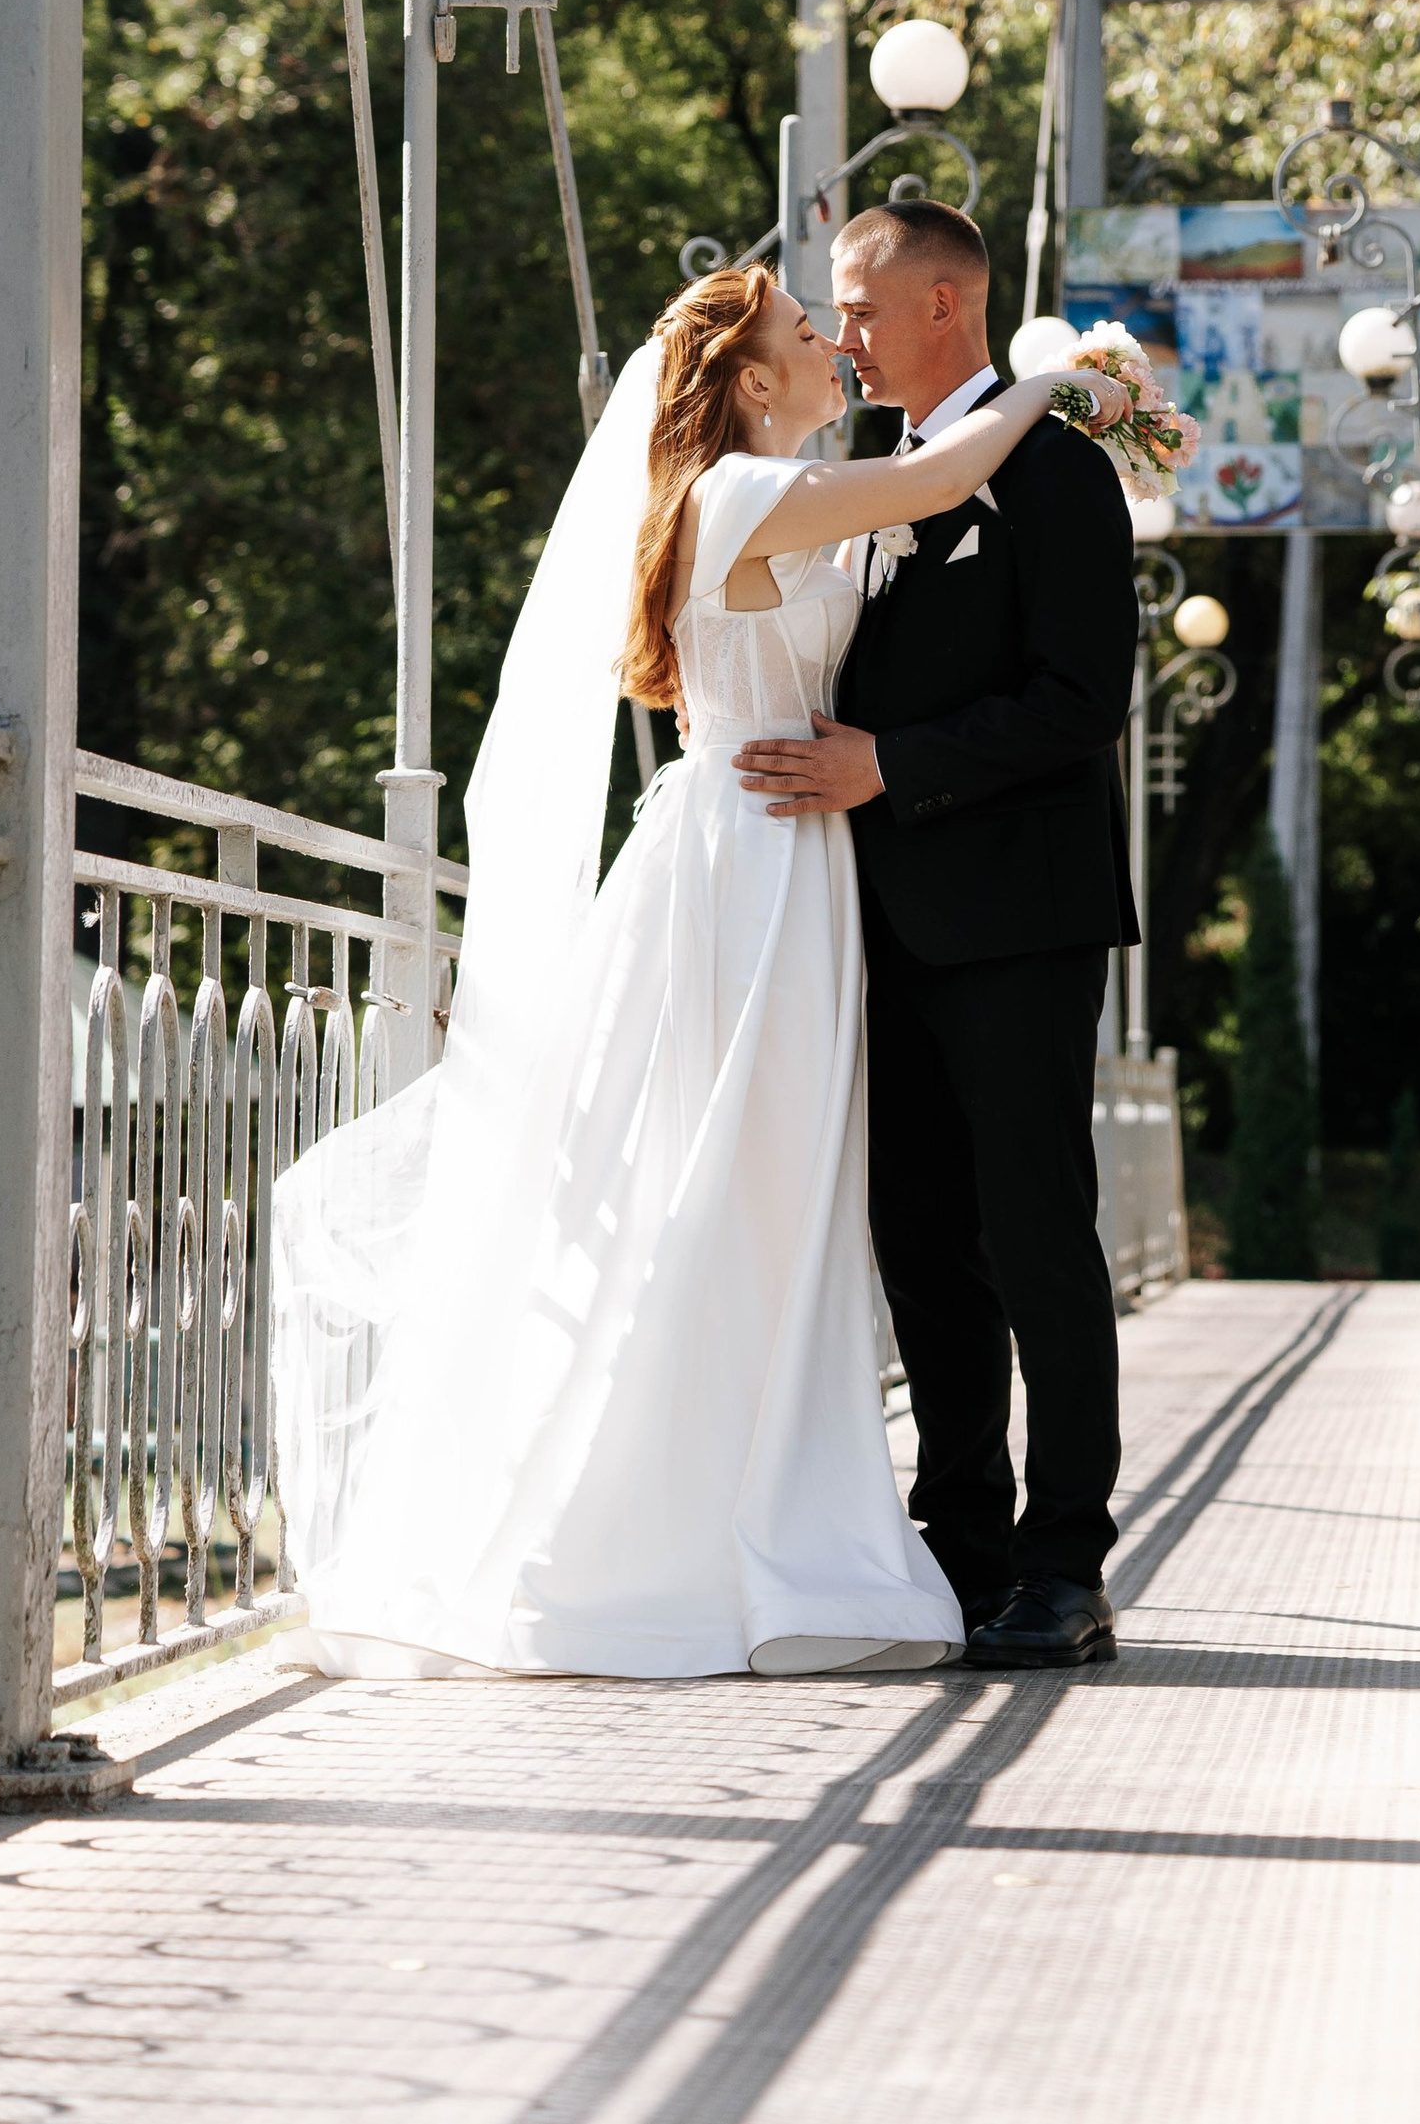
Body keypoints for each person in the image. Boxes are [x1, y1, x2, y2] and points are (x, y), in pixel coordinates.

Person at [270, 263, 1121, 1682]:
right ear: (745, 379)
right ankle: (720, 1529)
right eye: (807, 329)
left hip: (801, 867)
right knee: (736, 1191)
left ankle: (835, 1517)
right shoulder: (740, 492)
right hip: (759, 868)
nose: (833, 343)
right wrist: (1067, 379)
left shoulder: (777, 486)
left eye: (844, 314)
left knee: (767, 1200)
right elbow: (936, 482)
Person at [736, 198, 1140, 1672]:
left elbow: (1082, 701)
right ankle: (959, 1549)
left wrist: (891, 767)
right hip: (879, 928)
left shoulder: (1053, 472)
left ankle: (1065, 1562)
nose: (842, 330)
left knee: (1036, 1234)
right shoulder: (884, 483)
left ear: (948, 304)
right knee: (923, 1248)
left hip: (1020, 918)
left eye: (859, 301)